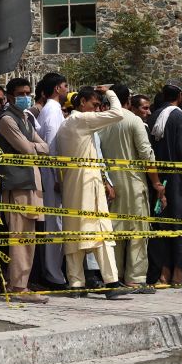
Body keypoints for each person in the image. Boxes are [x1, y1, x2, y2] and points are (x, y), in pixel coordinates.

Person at [53, 87, 129, 295]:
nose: (96, 110)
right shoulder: (82, 120)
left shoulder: (66, 124)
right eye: (95, 105)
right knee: (102, 233)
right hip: (88, 184)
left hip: (72, 185)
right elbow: (117, 114)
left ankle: (76, 284)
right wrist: (111, 92)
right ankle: (112, 282)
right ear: (82, 102)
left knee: (75, 234)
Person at [99, 84, 163, 291]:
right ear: (128, 100)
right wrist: (156, 183)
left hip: (110, 183)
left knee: (115, 231)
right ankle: (135, 277)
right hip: (134, 182)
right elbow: (146, 154)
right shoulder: (133, 120)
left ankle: (113, 275)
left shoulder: (102, 121)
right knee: (137, 231)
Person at [0, 77, 51, 303]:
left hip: (31, 182)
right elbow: (29, 150)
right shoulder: (7, 120)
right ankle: (18, 286)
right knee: (21, 236)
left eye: (28, 92)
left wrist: (35, 148)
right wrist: (35, 148)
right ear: (10, 96)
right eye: (21, 93)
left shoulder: (25, 118)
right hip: (18, 184)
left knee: (29, 235)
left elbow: (45, 147)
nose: (25, 97)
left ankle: (21, 282)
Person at [148, 81, 182, 286]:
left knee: (161, 225)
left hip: (157, 179)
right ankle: (177, 273)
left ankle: (164, 272)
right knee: (179, 223)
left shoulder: (152, 117)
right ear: (180, 96)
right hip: (176, 180)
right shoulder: (179, 116)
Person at [35, 72, 70, 288]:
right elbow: (53, 146)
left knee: (54, 223)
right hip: (51, 175)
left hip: (50, 173)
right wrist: (58, 175)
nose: (67, 89)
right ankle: (54, 275)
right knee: (54, 224)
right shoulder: (53, 112)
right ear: (57, 88)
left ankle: (53, 271)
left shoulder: (50, 110)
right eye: (65, 85)